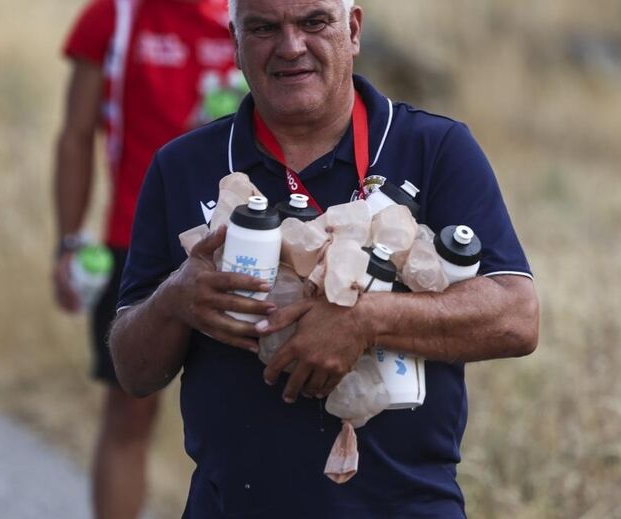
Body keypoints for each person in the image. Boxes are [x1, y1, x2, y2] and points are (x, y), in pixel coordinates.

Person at [110, 0, 540, 516]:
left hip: (405, 507)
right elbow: (133, 372)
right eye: (264, 27)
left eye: (313, 22)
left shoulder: (434, 147)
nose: (291, 47)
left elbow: (517, 317)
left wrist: (366, 320)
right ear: (235, 43)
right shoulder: (184, 165)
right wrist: (173, 301)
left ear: (353, 29)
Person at [52, 1, 239, 517]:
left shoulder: (257, 14)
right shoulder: (114, 16)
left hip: (239, 247)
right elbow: (75, 134)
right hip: (136, 243)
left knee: (248, 419)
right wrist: (69, 241)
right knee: (129, 414)